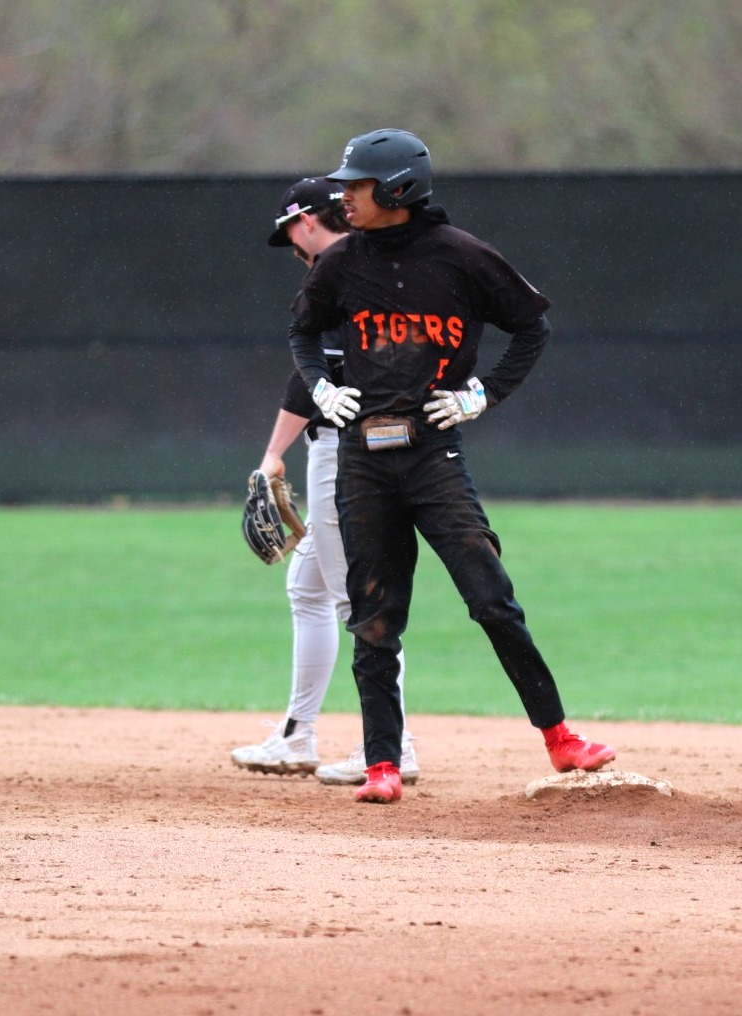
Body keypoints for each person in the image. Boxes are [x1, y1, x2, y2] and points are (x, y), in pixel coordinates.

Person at [287, 128, 616, 804]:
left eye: (357, 184)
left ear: (398, 189)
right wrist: (321, 385)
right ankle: (382, 766)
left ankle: (559, 737)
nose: (344, 195)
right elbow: (303, 331)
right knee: (374, 618)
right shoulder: (340, 263)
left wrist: (482, 394)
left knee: (490, 598)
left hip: (432, 455)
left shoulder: (462, 257)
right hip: (362, 461)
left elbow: (531, 326)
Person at [231, 177, 421, 786]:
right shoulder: (364, 267)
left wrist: (270, 456)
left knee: (358, 601)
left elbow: (310, 381)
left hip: (344, 453)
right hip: (352, 446)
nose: (287, 242)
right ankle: (297, 734)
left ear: (306, 221)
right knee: (309, 588)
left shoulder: (340, 271)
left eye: (289, 228)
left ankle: (394, 746)